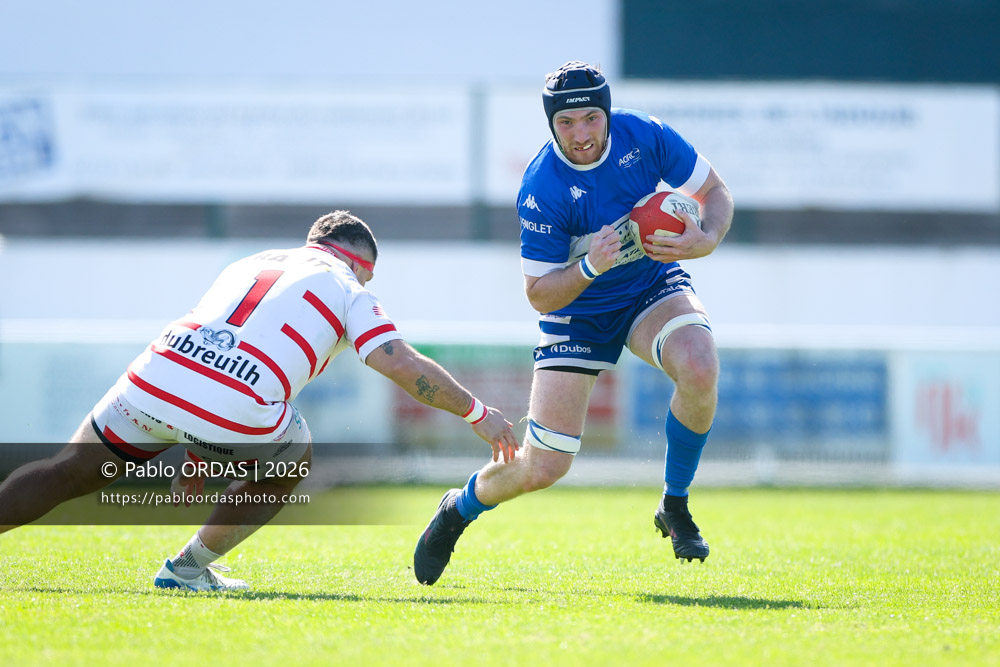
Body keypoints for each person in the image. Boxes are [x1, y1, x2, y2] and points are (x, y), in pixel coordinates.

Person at [0, 210, 519, 591]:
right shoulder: (349, 286)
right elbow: (398, 362)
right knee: (294, 458)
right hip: (232, 404)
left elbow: (216, 352)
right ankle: (186, 569)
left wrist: (197, 448)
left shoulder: (251, 262)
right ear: (363, 265)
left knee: (65, 470)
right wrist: (477, 412)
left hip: (156, 374)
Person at [413, 61, 733, 585]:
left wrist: (708, 237)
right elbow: (539, 294)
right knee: (543, 468)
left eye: (590, 118)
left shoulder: (645, 135)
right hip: (575, 311)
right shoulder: (543, 186)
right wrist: (590, 265)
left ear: (606, 114)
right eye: (566, 123)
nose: (581, 134)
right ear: (551, 124)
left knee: (699, 364)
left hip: (649, 286)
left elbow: (715, 192)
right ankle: (457, 509)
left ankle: (674, 504)